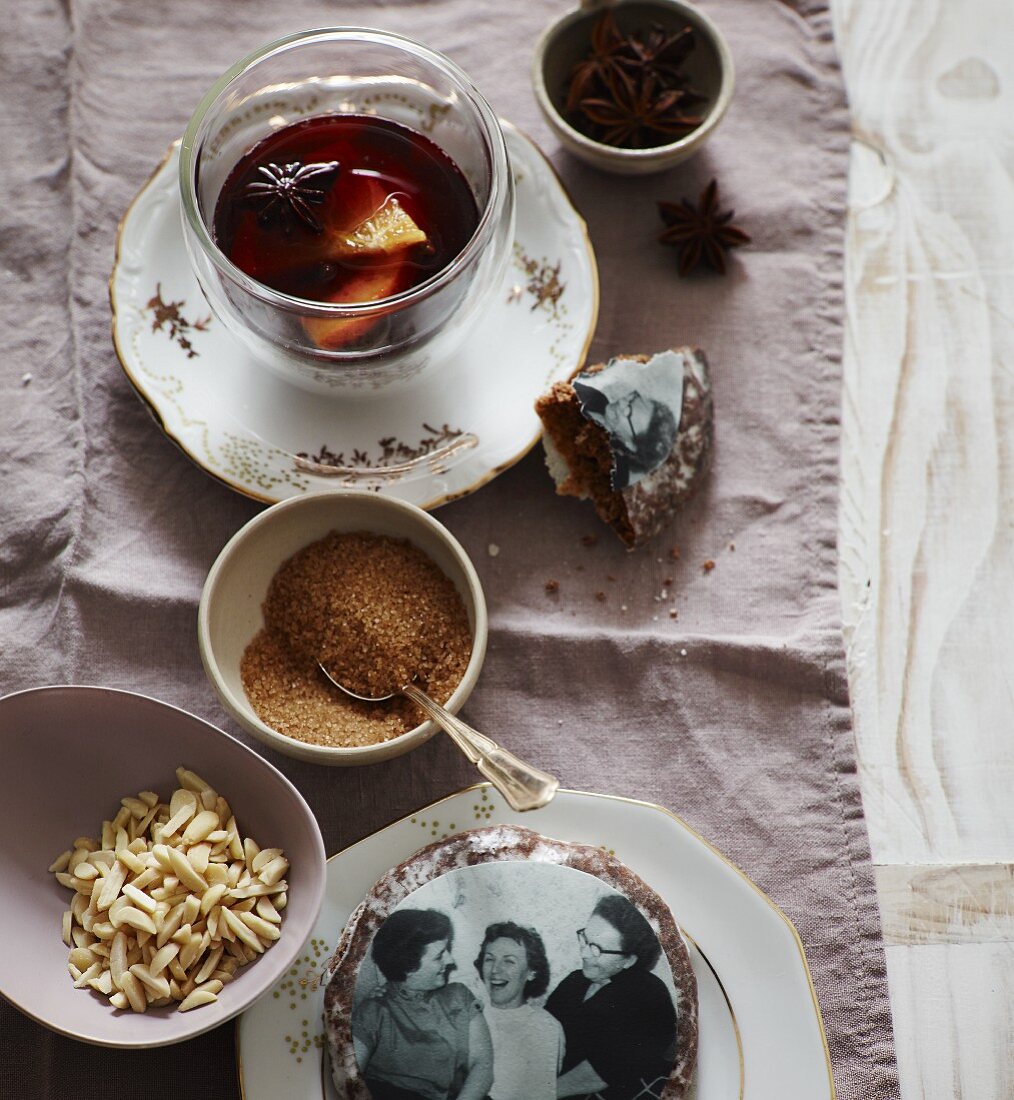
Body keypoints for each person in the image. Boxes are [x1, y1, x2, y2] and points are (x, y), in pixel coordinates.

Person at [352, 908, 493, 1100]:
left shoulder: (459, 996)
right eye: (439, 955)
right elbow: (349, 1077)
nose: (450, 960)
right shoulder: (375, 1010)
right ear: (409, 966)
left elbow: (482, 1067)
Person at [546, 894, 677, 1100]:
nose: (585, 954)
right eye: (586, 940)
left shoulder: (648, 994)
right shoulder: (574, 982)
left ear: (629, 960)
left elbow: (604, 1070)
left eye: (597, 949)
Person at [472, 922, 565, 1100]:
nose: (495, 970)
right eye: (489, 959)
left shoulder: (545, 1027)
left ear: (531, 972)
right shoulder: (469, 1011)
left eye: (509, 961)